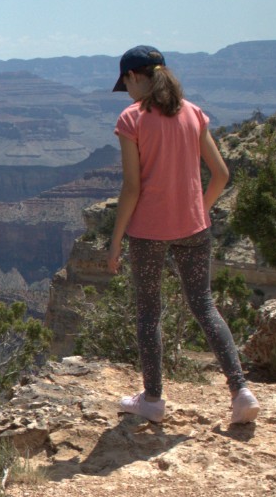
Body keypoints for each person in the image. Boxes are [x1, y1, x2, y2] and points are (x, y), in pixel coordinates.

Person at [102, 45, 259, 425]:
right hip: (194, 227)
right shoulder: (193, 113)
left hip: (148, 231)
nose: (128, 91)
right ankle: (241, 392)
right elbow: (221, 174)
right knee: (204, 305)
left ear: (135, 76)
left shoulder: (131, 119)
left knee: (148, 312)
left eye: (127, 83)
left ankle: (153, 400)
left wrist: (115, 240)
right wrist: (199, 210)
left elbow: (132, 188)